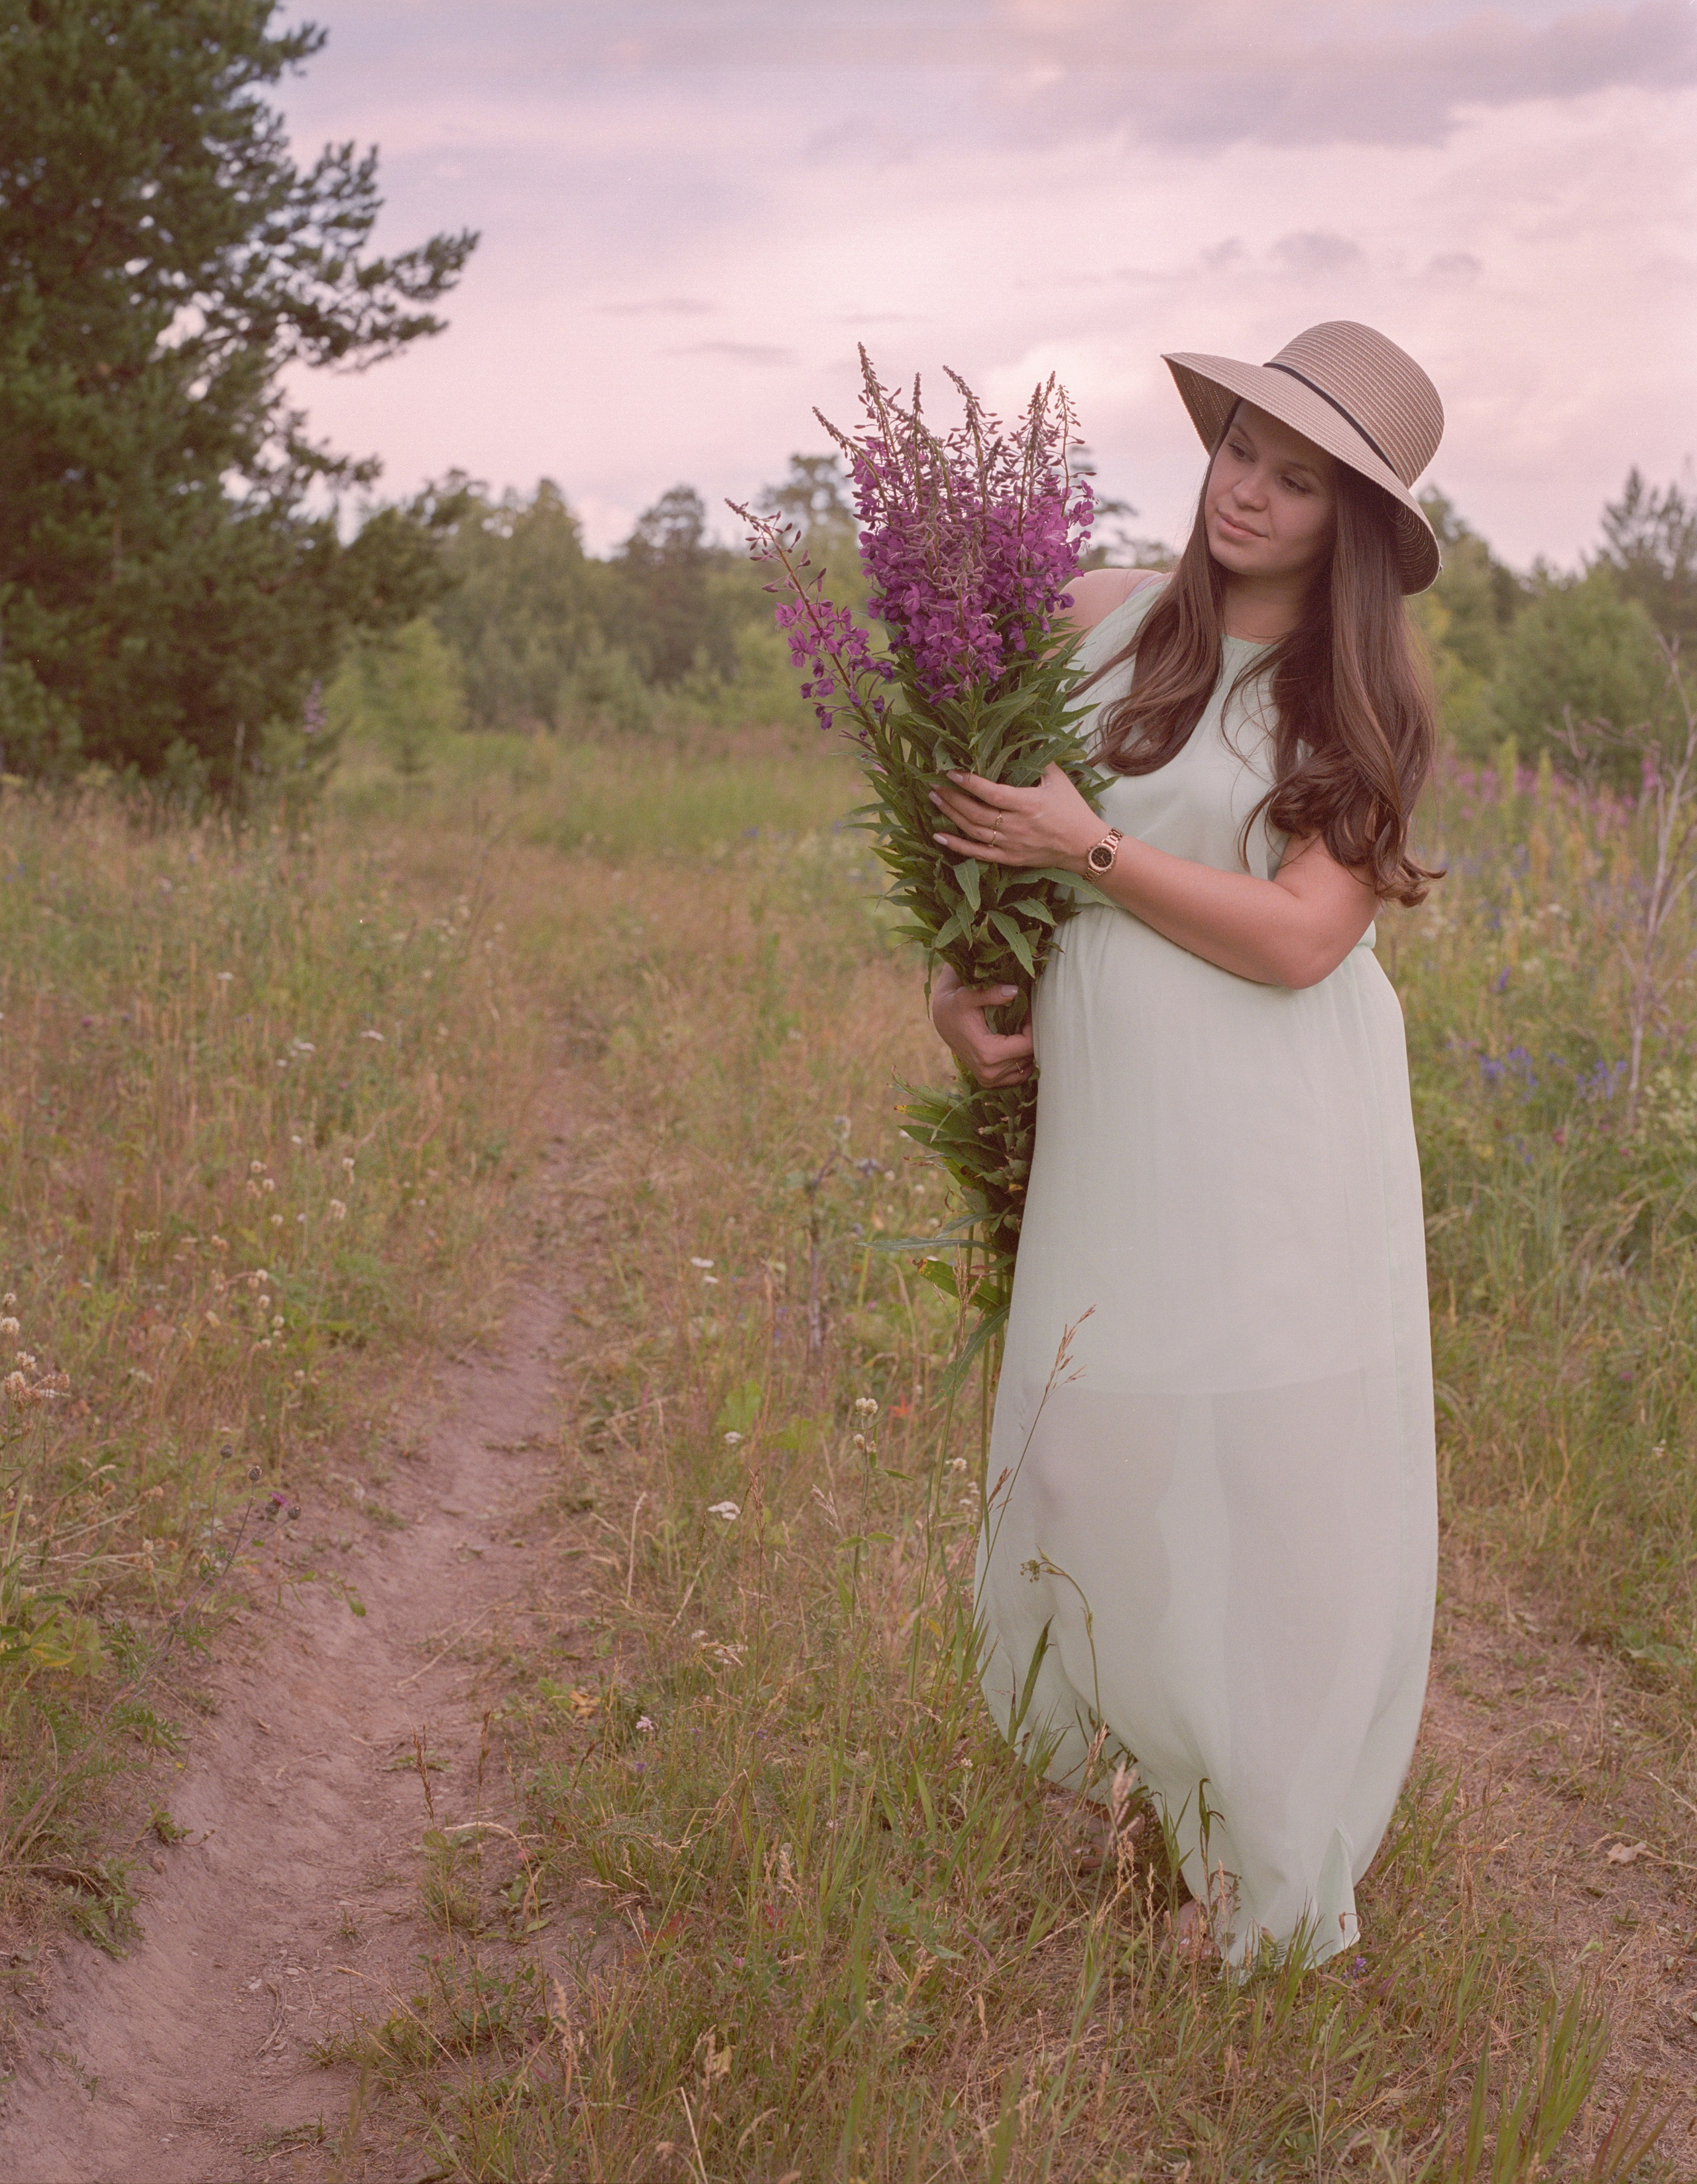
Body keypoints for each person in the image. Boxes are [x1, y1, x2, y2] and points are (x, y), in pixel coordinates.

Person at [927, 322, 1443, 1969]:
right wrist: (956, 978)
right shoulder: (1100, 620)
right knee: (1091, 1447)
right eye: (1239, 451)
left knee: (1269, 1469)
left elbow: (1301, 939)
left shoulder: (1351, 704)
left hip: (1272, 1121)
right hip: (1115, 1121)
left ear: (1348, 525)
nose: (1247, 493)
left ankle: (1259, 1868)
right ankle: (1132, 1778)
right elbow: (982, 837)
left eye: (1296, 481)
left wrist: (1087, 851)